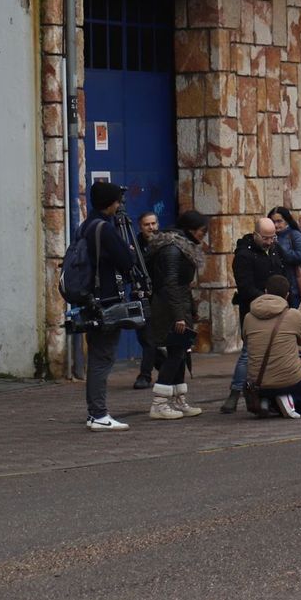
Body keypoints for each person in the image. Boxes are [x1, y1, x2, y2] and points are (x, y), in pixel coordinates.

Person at [78, 181, 142, 432]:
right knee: (102, 358)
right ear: (110, 203)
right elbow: (126, 261)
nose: (119, 205)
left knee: (97, 356)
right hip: (106, 300)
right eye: (117, 201)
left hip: (90, 298)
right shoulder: (104, 229)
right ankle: (98, 413)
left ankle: (97, 412)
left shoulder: (86, 226)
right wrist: (128, 251)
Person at [144, 210, 208, 420]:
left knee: (181, 352)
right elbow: (171, 284)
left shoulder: (181, 247)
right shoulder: (173, 249)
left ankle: (179, 398)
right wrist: (179, 315)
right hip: (169, 308)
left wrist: (190, 310)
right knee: (176, 353)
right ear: (190, 229)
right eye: (201, 231)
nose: (203, 236)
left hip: (178, 306)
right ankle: (160, 402)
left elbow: (182, 286)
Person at [241, 274, 301, 418]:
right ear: (287, 294)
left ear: (265, 292)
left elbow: (246, 340)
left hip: (257, 383)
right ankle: (288, 400)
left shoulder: (249, 317)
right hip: (288, 380)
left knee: (273, 381)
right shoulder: (293, 315)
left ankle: (268, 400)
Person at [221, 217, 285, 414]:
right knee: (249, 352)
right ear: (256, 235)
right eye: (265, 238)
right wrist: (265, 298)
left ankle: (271, 393)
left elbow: (283, 273)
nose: (269, 241)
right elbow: (245, 286)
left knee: (276, 351)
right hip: (253, 310)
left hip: (277, 307)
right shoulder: (244, 255)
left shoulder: (275, 249)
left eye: (272, 237)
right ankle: (235, 391)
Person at [131, 210, 162, 389]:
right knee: (145, 337)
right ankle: (165, 366)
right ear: (140, 227)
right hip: (140, 295)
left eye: (153, 224)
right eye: (147, 224)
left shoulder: (163, 244)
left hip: (158, 296)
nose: (151, 228)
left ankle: (145, 375)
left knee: (151, 338)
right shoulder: (134, 245)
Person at [268, 207, 301, 307]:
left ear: (286, 221)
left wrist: (280, 249)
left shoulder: (294, 235)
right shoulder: (269, 236)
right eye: (273, 221)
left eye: (279, 221)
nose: (276, 225)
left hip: (291, 287)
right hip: (273, 286)